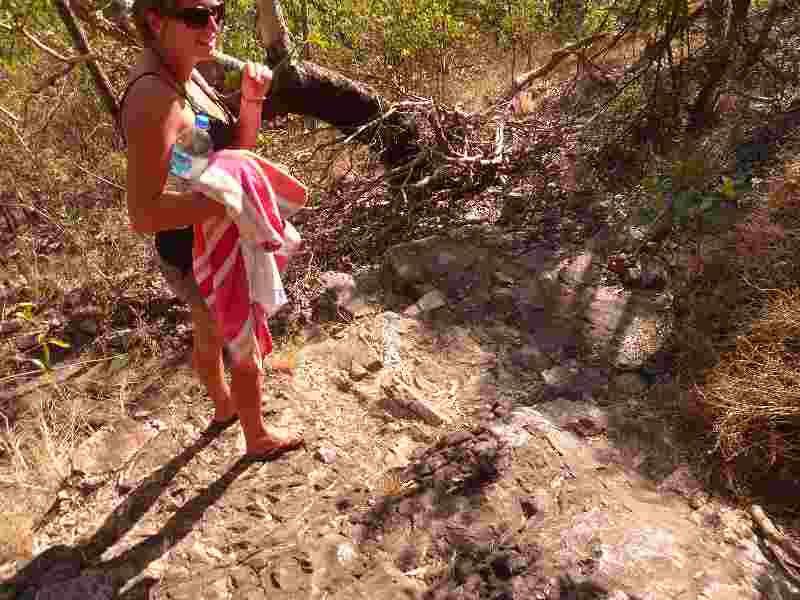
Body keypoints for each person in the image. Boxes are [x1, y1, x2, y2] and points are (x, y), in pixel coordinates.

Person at [121, 0, 303, 459]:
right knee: (240, 342)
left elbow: (222, 156)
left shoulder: (183, 72)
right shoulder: (152, 98)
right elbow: (143, 213)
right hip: (195, 248)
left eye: (219, 10)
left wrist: (251, 100)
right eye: (197, 15)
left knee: (208, 332)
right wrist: (231, 205)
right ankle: (256, 436)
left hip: (200, 240)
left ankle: (224, 408)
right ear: (157, 19)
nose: (214, 24)